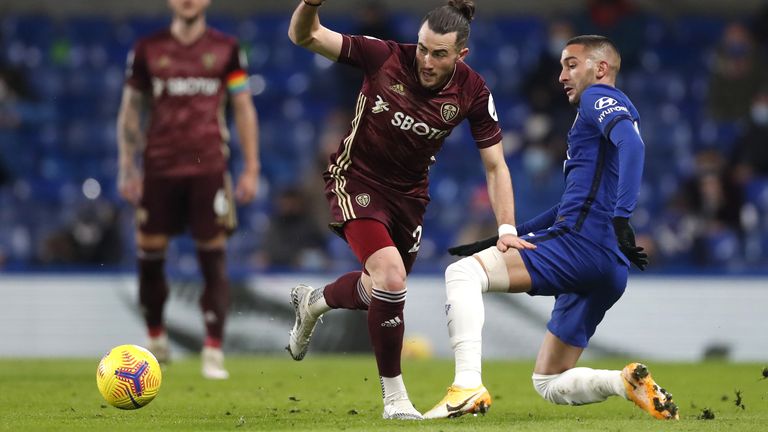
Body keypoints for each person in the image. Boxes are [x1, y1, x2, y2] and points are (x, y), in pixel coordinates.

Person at [285, 0, 532, 420]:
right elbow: (304, 35)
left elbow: (495, 165)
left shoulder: (472, 91)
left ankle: (314, 303)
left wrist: (506, 226)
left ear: (461, 56)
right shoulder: (383, 56)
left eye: (439, 54)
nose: (426, 60)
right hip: (356, 179)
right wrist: (309, 5)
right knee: (391, 277)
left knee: (378, 289)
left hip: (409, 198)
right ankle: (396, 400)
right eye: (422, 48)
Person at [423, 35, 679, 421]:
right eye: (561, 65)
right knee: (548, 381)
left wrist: (623, 216)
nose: (562, 75)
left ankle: (466, 387)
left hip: (582, 244)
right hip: (607, 265)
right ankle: (623, 382)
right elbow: (568, 205)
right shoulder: (594, 120)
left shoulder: (598, 98)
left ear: (601, 68)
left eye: (571, 64)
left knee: (461, 274)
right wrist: (506, 235)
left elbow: (633, 146)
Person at [116, 0, 260, 380]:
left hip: (208, 168)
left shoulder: (227, 49)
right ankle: (157, 340)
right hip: (159, 169)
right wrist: (126, 165)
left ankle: (213, 351)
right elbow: (131, 108)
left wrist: (251, 167)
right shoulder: (148, 49)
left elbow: (243, 106)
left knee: (213, 258)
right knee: (149, 256)